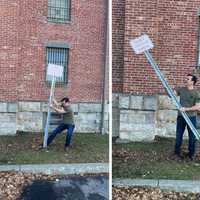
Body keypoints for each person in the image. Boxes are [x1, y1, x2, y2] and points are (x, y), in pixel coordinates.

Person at [174, 74, 200, 160]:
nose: (186, 80)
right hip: (181, 117)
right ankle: (176, 153)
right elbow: (172, 94)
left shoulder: (196, 93)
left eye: (188, 79)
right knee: (178, 135)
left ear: (192, 82)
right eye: (186, 78)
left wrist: (186, 109)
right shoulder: (182, 89)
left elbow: (197, 107)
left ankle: (190, 155)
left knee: (191, 136)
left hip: (191, 117)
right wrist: (168, 89)